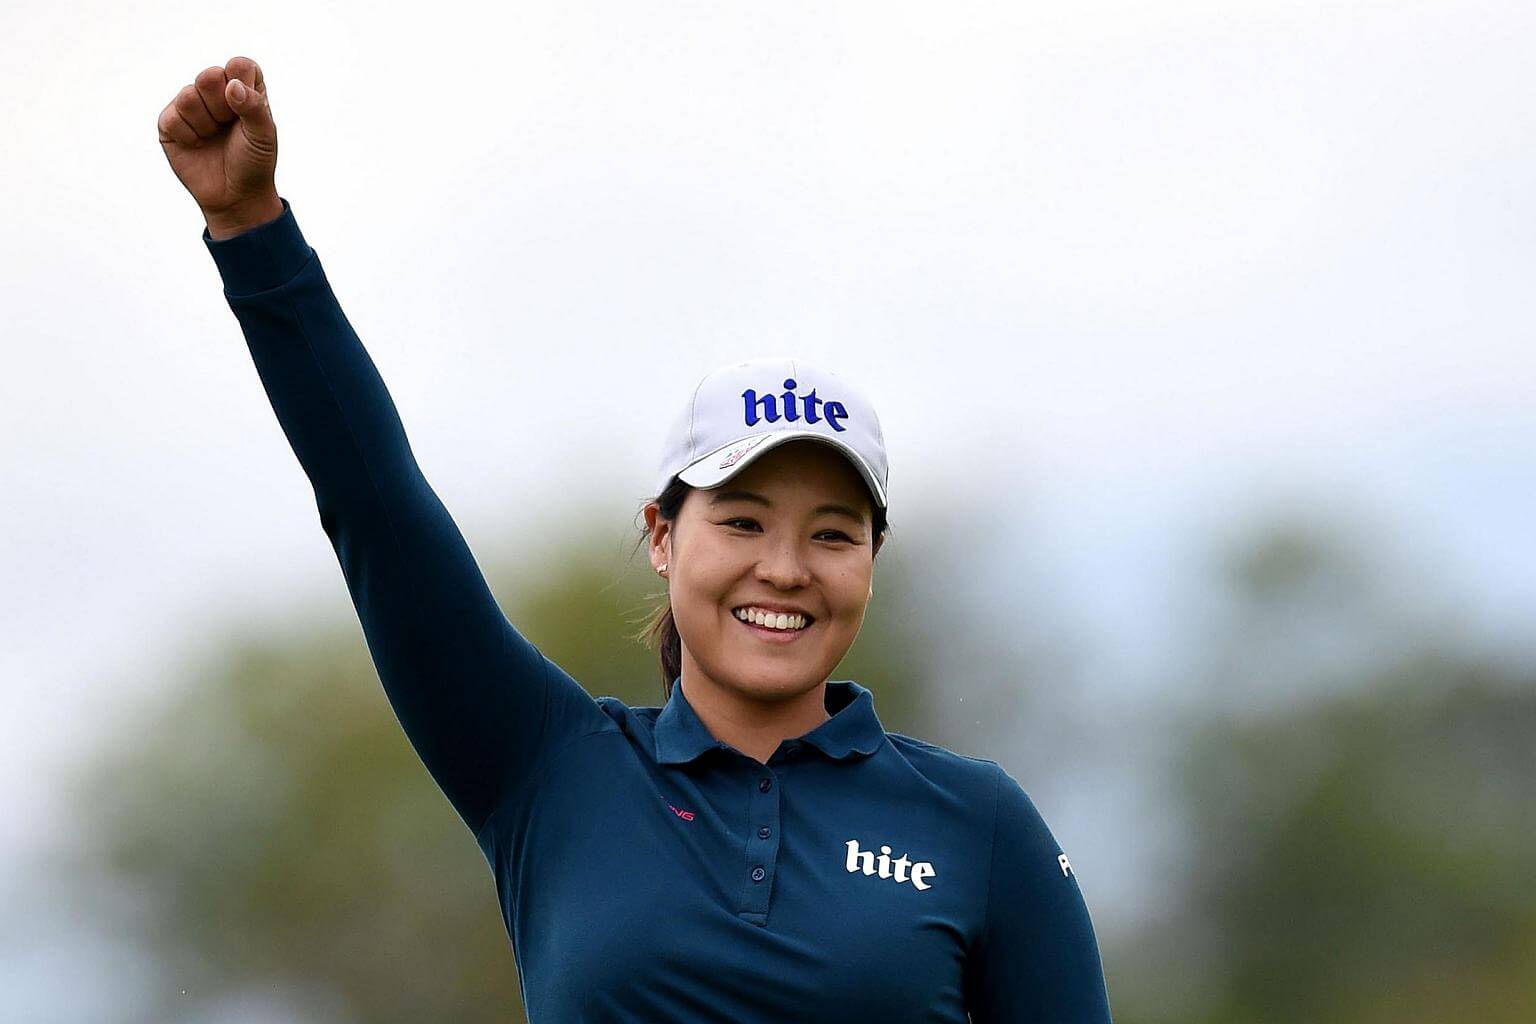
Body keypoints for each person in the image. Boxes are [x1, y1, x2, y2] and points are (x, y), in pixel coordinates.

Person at [157, 56, 1114, 1023]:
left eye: (833, 534)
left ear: (871, 559)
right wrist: (252, 231)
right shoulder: (549, 767)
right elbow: (377, 508)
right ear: (661, 535)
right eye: (742, 521)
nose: (785, 569)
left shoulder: (979, 826)